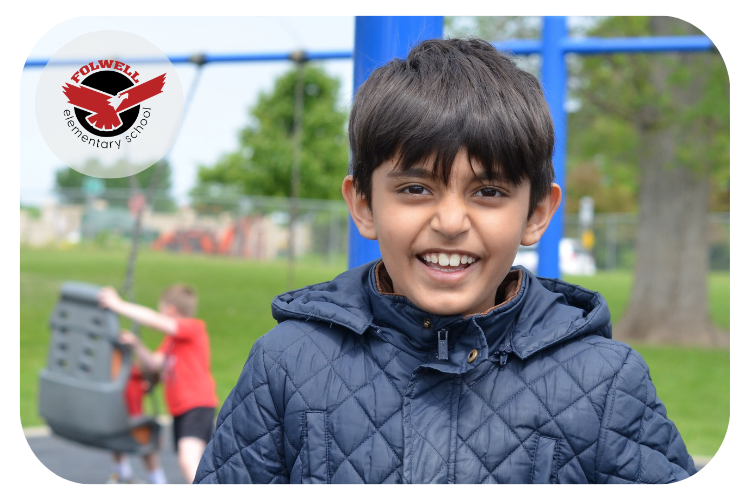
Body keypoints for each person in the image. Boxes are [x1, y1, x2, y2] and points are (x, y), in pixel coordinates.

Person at [194, 38, 696, 484]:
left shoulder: (605, 382)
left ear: (536, 212)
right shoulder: (285, 364)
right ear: (364, 205)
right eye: (416, 188)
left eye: (489, 191)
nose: (452, 221)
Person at [99, 284, 218, 484]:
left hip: (197, 404)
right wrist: (136, 344)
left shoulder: (193, 328)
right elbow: (155, 363)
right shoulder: (172, 340)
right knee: (193, 461)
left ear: (170, 310)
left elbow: (154, 321)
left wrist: (118, 305)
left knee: (188, 460)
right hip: (182, 408)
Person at [108, 365, 167, 484]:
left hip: (112, 423)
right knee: (147, 443)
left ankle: (120, 471)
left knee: (116, 440)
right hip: (126, 424)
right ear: (146, 382)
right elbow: (136, 414)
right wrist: (155, 435)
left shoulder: (127, 372)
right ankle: (157, 478)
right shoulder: (136, 382)